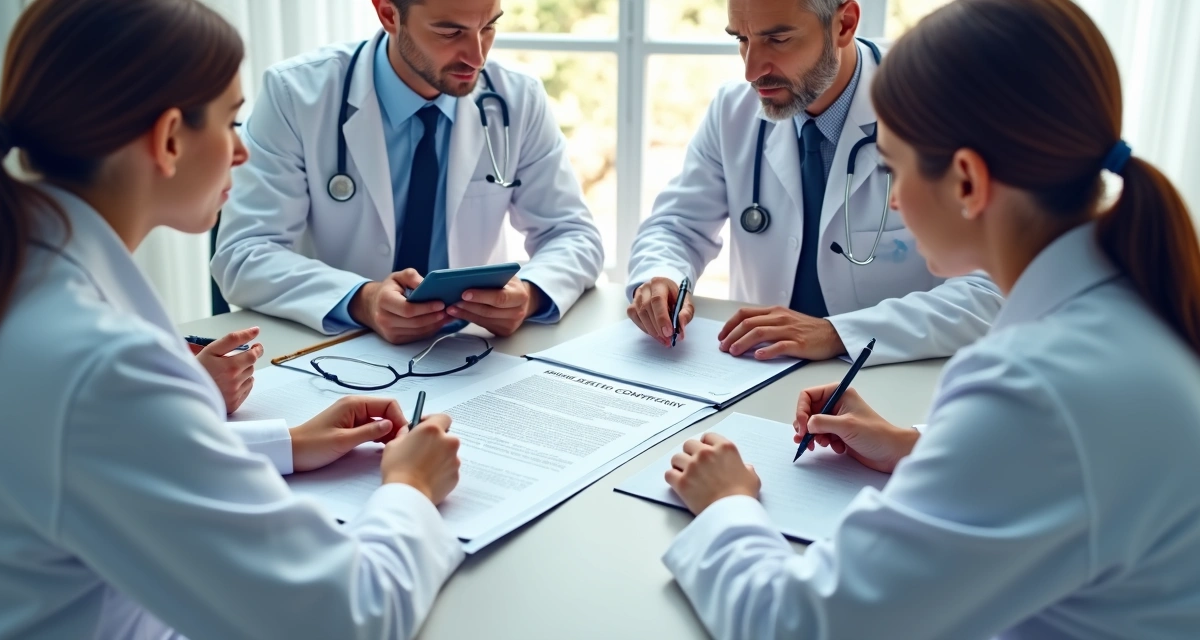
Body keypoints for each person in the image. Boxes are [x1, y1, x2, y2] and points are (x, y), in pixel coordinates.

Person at [659, 0, 1200, 637]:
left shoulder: (1035, 391)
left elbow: (800, 626)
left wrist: (726, 505)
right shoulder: (1128, 307)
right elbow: (1064, 468)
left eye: (893, 166)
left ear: (967, 182)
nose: (889, 196)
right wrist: (919, 446)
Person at [0, 1, 467, 637]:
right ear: (169, 140)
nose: (241, 152)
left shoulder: (24, 278)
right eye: (232, 123)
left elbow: (91, 454)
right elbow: (347, 617)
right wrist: (409, 488)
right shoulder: (101, 363)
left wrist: (286, 444)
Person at [626, 0, 1002, 366]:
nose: (752, 70)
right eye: (741, 40)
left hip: (881, 383)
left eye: (778, 40)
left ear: (844, 25)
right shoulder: (732, 110)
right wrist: (662, 277)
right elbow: (677, 227)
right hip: (753, 370)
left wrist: (838, 333)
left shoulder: (934, 109)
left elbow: (991, 290)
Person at [211, 0, 604, 345]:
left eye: (488, 27)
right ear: (388, 14)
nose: (477, 57)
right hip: (343, 351)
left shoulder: (516, 99)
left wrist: (530, 294)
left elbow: (573, 235)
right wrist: (361, 300)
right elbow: (243, 254)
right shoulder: (297, 94)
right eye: (450, 31)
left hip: (472, 352)